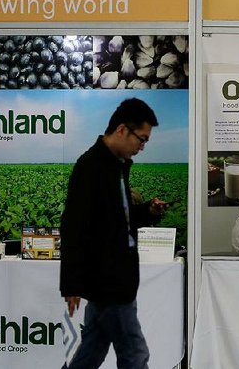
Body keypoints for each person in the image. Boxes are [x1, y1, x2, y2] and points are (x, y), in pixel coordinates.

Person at [59, 98, 169, 369]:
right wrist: (71, 283)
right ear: (122, 130)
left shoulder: (116, 165)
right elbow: (73, 225)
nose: (142, 147)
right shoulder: (91, 167)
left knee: (91, 352)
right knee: (135, 355)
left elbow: (120, 219)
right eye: (141, 139)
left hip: (115, 278)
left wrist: (148, 212)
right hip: (109, 280)